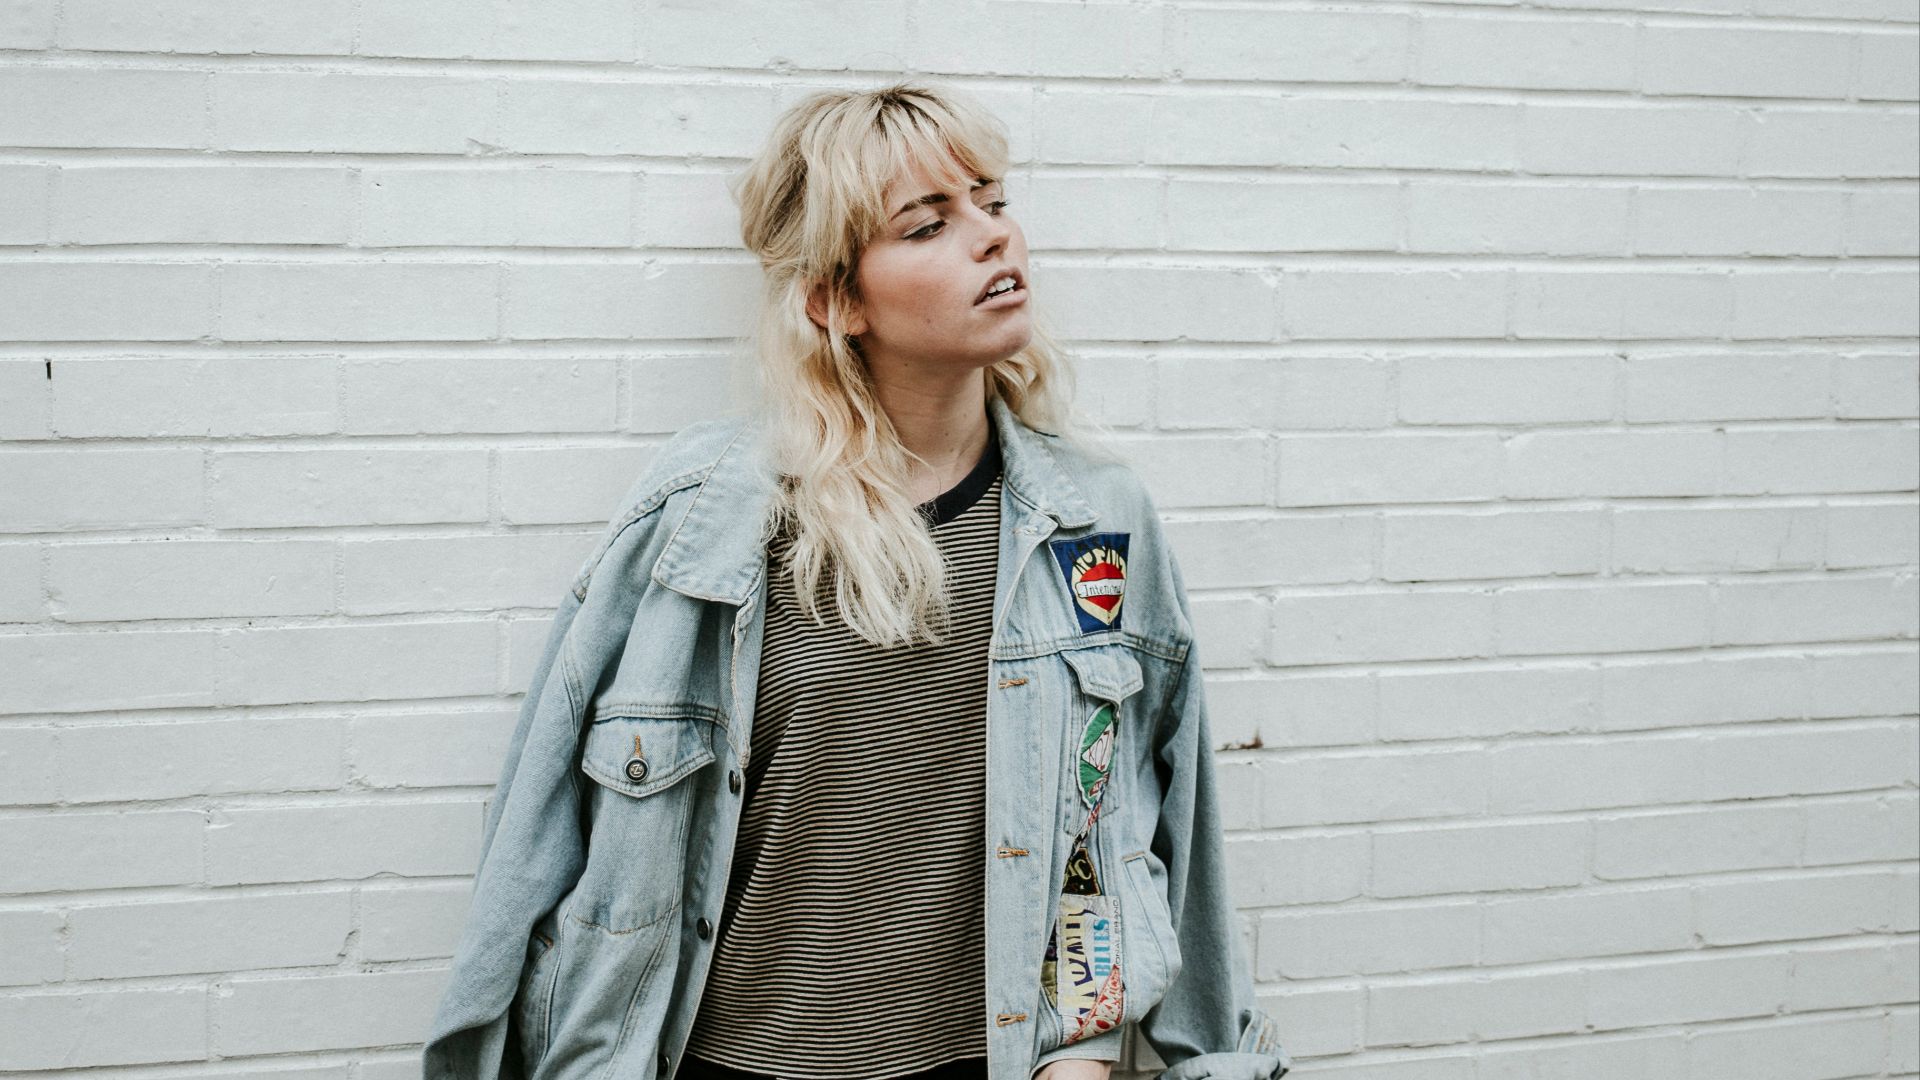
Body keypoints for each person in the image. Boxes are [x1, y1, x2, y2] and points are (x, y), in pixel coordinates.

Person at [421, 80, 1292, 1080]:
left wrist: (1081, 1058)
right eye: (928, 223)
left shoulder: (1097, 525)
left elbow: (1119, 822)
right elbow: (538, 835)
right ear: (834, 299)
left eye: (993, 202)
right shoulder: (700, 526)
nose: (993, 238)